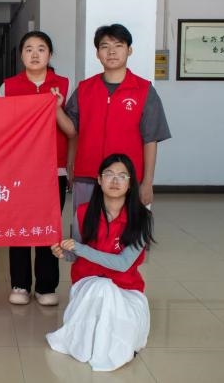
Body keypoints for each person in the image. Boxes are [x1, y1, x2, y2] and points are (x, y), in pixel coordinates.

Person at [46, 153, 155, 371]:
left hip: (126, 290)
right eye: (109, 174)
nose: (115, 181)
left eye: (122, 176)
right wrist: (64, 252)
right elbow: (76, 254)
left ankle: (102, 347)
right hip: (88, 288)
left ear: (130, 183)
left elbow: (123, 264)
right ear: (99, 179)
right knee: (101, 287)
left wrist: (80, 249)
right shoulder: (83, 212)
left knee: (105, 289)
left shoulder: (142, 218)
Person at [0, 31, 73, 306]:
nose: (35, 54)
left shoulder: (64, 85)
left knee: (48, 227)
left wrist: (56, 107)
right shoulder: (8, 87)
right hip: (18, 171)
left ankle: (45, 285)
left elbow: (72, 131)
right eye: (28, 49)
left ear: (50, 54)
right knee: (18, 226)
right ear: (21, 55)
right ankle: (20, 284)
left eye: (41, 49)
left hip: (54, 170)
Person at [59, 23, 171, 212]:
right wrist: (56, 108)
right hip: (88, 176)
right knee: (85, 227)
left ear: (129, 50)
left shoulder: (144, 90)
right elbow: (72, 130)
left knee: (126, 229)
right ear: (97, 53)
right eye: (105, 46)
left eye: (118, 45)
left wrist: (147, 182)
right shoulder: (85, 89)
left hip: (127, 179)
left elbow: (150, 140)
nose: (111, 52)